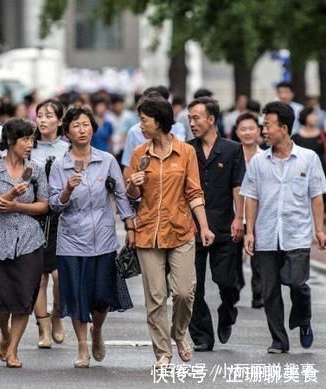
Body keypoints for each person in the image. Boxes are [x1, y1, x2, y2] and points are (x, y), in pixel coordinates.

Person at [126, 94, 214, 368]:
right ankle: (162, 352)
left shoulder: (186, 152)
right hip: (148, 232)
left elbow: (194, 191)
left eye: (144, 120)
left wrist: (204, 226)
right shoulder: (139, 154)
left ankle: (179, 333)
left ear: (159, 121)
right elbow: (131, 195)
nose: (141, 125)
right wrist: (133, 183)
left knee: (185, 292)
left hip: (181, 229)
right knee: (155, 297)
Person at [49, 107, 135, 368]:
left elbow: (121, 195)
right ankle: (83, 347)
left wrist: (130, 226)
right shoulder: (59, 165)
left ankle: (96, 332)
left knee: (101, 298)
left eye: (86, 125)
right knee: (76, 297)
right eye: (76, 126)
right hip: (71, 241)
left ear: (93, 129)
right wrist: (66, 191)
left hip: (103, 239)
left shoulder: (107, 160)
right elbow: (53, 205)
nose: (82, 130)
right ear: (67, 132)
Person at [241, 101, 326, 353]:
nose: (263, 131)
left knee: (297, 283)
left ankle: (303, 318)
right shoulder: (258, 161)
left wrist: (319, 229)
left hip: (297, 233)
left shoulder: (308, 159)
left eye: (267, 125)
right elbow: (251, 196)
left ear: (284, 128)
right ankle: (279, 340)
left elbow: (316, 196)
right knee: (270, 291)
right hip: (266, 234)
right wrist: (249, 232)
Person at [0, 118, 48, 368]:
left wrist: (19, 205)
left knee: (23, 297)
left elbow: (44, 205)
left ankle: (14, 350)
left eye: (32, 139)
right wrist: (9, 195)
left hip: (29, 240)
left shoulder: (36, 169)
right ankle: (4, 334)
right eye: (25, 139)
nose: (30, 144)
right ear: (10, 141)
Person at [186, 97, 246, 352]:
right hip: (192, 227)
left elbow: (238, 186)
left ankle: (227, 309)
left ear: (212, 119)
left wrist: (239, 218)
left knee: (227, 281)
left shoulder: (232, 149)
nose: (192, 123)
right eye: (189, 119)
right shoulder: (187, 149)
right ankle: (202, 336)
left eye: (196, 118)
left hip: (224, 224)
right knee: (191, 287)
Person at [30, 99, 69, 349]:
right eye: (40, 115)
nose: (43, 120)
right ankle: (42, 327)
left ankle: (57, 316)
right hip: (33, 216)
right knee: (38, 277)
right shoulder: (28, 148)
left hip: (62, 218)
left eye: (48, 115)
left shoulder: (68, 148)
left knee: (60, 276)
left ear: (60, 121)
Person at [121, 86, 187, 178]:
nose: (141, 126)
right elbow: (128, 171)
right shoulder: (136, 143)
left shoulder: (185, 148)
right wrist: (132, 186)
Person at [234, 112, 264, 308]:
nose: (247, 133)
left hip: (259, 214)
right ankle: (237, 285)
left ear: (259, 131)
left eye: (251, 128)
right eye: (243, 129)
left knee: (259, 257)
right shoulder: (231, 156)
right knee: (234, 255)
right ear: (237, 132)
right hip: (235, 213)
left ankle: (258, 293)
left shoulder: (265, 157)